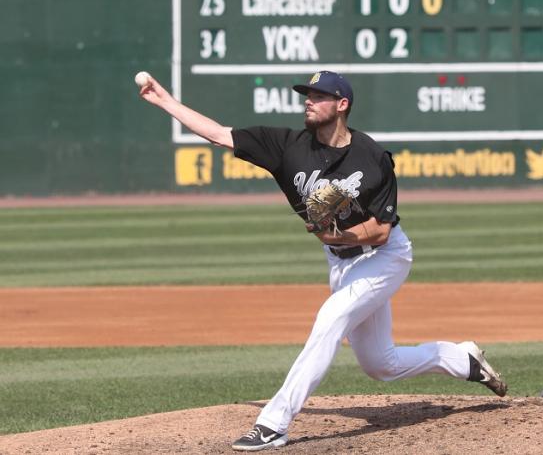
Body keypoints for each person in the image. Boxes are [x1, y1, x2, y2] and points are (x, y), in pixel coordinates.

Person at [139, 71, 508, 451]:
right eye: (307, 95)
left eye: (318, 95)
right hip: (341, 263)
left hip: (385, 257)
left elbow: (381, 231)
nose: (308, 101)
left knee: (330, 318)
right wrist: (165, 101)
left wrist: (334, 234)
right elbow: (218, 133)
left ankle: (274, 423)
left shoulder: (372, 157)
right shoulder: (286, 146)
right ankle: (462, 358)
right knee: (381, 364)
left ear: (342, 105)